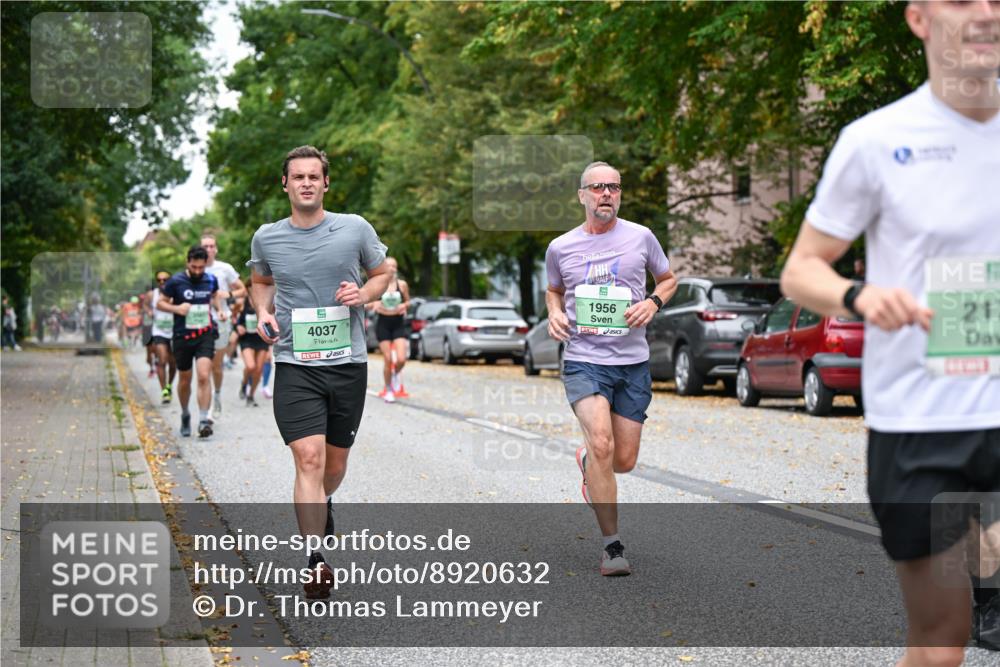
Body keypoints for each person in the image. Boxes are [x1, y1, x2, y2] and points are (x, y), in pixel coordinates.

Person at [780, 1, 999, 663]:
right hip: (922, 426)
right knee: (942, 639)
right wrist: (860, 295)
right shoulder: (877, 140)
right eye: (961, 0)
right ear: (918, 19)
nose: (985, 14)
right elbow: (800, 269)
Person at [248, 145, 390, 599]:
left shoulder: (354, 228)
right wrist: (262, 312)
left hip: (347, 363)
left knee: (333, 465)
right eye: (298, 177)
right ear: (285, 184)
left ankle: (324, 500)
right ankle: (315, 559)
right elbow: (261, 282)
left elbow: (382, 273)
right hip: (295, 363)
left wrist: (364, 294)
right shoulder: (267, 238)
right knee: (308, 458)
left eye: (314, 176)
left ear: (326, 183)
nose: (306, 183)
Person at [545, 161, 676, 577]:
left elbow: (668, 279)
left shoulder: (641, 237)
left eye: (614, 187)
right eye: (598, 187)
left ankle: (589, 463)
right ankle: (612, 547)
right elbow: (553, 290)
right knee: (602, 443)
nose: (607, 193)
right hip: (584, 360)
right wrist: (554, 313)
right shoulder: (561, 247)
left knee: (623, 460)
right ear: (582, 195)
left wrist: (652, 302)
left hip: (632, 363)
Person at [158, 246, 225, 438]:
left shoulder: (210, 279)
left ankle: (204, 420)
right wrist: (177, 309)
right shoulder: (175, 281)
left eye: (201, 267)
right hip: (182, 336)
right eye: (194, 267)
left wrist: (219, 310)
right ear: (187, 262)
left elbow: (214, 296)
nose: (197, 271)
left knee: (203, 375)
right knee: (185, 378)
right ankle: (185, 413)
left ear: (205, 264)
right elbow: (160, 302)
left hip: (205, 334)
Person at [201, 233, 247, 421]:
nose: (208, 249)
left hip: (221, 320)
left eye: (211, 246)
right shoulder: (195, 268)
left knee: (216, 366)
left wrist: (228, 294)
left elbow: (242, 289)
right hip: (201, 320)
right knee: (204, 366)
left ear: (216, 249)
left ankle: (217, 394)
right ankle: (206, 410)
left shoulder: (224, 268)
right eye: (205, 246)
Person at [369, 257, 411, 402]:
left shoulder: (402, 285)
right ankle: (388, 389)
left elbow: (408, 301)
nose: (391, 268)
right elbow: (368, 302)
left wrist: (404, 306)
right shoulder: (379, 285)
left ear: (396, 269)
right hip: (383, 324)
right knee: (387, 359)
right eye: (389, 265)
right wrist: (374, 304)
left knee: (401, 359)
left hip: (398, 323)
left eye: (394, 266)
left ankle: (394, 374)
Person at [149, 271, 177, 404]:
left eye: (165, 280)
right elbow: (145, 305)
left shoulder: (177, 292)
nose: (162, 282)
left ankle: (169, 385)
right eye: (159, 280)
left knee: (173, 362)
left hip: (174, 331)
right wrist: (149, 311)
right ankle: (164, 390)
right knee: (162, 359)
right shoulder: (152, 294)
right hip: (159, 331)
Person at [235, 296, 269, 407]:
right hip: (247, 339)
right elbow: (235, 319)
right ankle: (244, 383)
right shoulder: (242, 305)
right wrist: (238, 327)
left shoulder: (266, 306)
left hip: (261, 340)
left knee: (258, 370)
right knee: (250, 366)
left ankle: (251, 395)